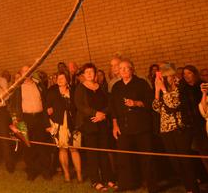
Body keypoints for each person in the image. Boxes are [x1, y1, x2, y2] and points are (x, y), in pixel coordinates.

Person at [109, 58, 156, 193]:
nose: (122, 71)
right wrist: (115, 125)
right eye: (121, 68)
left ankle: (151, 185)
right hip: (124, 127)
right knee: (125, 157)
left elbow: (150, 102)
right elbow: (113, 108)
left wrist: (135, 103)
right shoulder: (116, 87)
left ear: (132, 69)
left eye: (126, 68)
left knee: (146, 157)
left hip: (141, 127)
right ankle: (127, 184)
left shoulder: (141, 83)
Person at [152, 63, 199, 193]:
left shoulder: (180, 87)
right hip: (166, 130)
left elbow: (173, 104)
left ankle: (193, 188)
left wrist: (165, 90)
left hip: (180, 128)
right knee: (175, 162)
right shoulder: (162, 88)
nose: (165, 79)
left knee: (185, 160)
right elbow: (156, 108)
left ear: (171, 76)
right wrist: (157, 90)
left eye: (166, 76)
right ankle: (187, 187)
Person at [8, 66, 53, 181]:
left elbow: (45, 99)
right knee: (27, 146)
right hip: (24, 119)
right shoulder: (17, 88)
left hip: (39, 118)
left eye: (29, 70)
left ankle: (46, 171)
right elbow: (12, 105)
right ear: (21, 74)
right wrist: (15, 120)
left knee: (42, 145)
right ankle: (31, 172)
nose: (27, 73)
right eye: (24, 71)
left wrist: (48, 111)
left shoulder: (39, 85)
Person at [75, 63, 115, 191]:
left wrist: (103, 114)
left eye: (91, 72)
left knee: (104, 152)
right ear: (83, 75)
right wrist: (95, 113)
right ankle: (95, 181)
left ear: (95, 73)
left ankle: (108, 178)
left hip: (102, 123)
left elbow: (109, 103)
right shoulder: (80, 88)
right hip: (89, 124)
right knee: (93, 154)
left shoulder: (101, 87)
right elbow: (80, 105)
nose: (89, 74)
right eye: (87, 72)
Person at [46, 70, 82, 183]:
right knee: (62, 149)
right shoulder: (52, 91)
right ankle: (66, 174)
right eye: (58, 78)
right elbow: (47, 108)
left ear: (67, 79)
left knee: (74, 149)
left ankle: (79, 174)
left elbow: (78, 106)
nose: (59, 80)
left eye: (62, 78)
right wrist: (48, 123)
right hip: (59, 123)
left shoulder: (74, 90)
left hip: (73, 123)